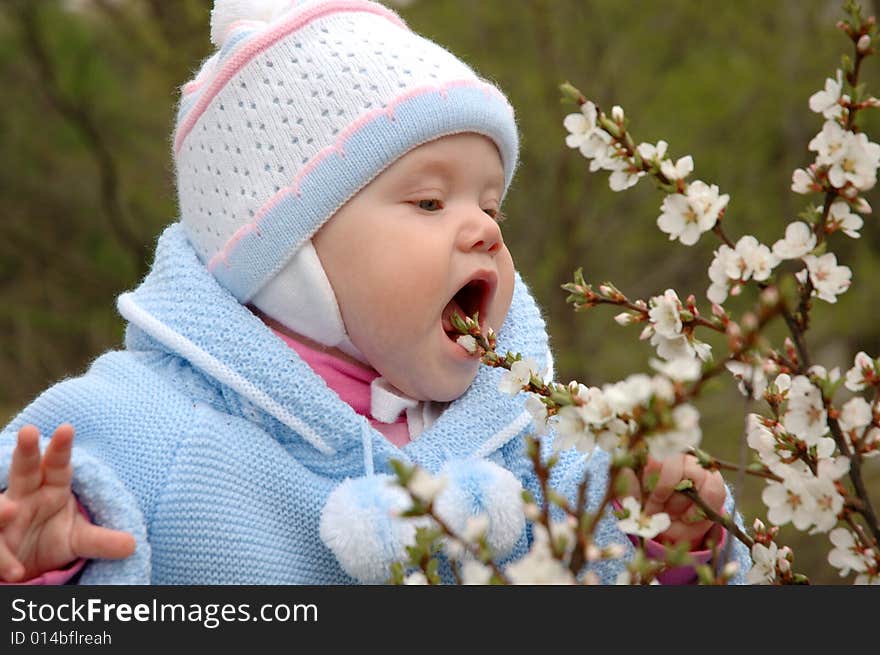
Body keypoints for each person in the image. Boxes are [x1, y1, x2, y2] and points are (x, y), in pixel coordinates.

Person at [0, 0, 750, 585]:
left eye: (491, 206)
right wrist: (46, 566)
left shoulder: (533, 433)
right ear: (288, 257)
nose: (483, 231)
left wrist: (677, 542)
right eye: (429, 203)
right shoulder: (151, 427)